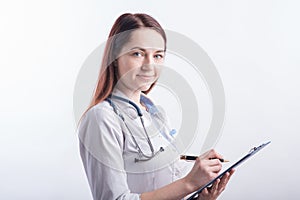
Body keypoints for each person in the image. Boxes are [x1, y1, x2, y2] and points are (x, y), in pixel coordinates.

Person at [78, 13, 234, 200]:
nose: (149, 65)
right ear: (115, 57)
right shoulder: (102, 118)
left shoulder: (157, 115)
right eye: (138, 53)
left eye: (158, 55)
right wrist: (189, 183)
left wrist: (201, 198)